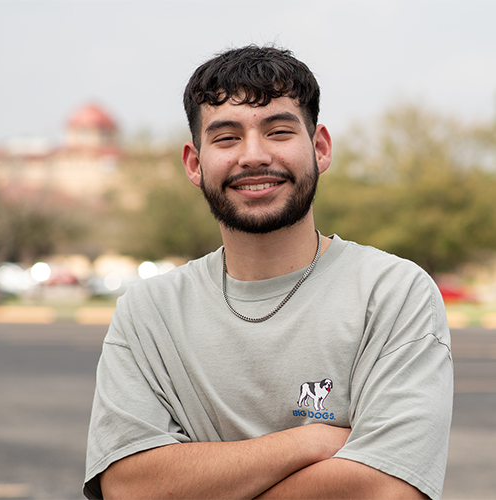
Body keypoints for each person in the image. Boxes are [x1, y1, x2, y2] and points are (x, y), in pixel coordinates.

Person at [84, 45, 453, 500]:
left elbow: (386, 489)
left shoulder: (393, 293)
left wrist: (196, 482)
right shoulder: (148, 312)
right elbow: (128, 485)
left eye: (278, 132)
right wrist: (310, 441)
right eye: (226, 138)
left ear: (319, 148)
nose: (254, 156)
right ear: (195, 164)